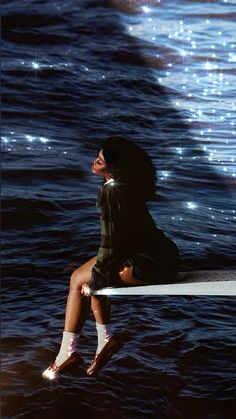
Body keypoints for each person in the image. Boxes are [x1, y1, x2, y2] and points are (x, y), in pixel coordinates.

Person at [42, 136, 180, 379]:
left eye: (99, 160)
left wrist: (97, 279)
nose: (94, 162)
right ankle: (98, 342)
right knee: (81, 278)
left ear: (113, 169)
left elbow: (111, 244)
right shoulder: (125, 186)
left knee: (88, 281)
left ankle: (76, 350)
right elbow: (121, 241)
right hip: (160, 254)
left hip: (146, 263)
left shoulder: (111, 194)